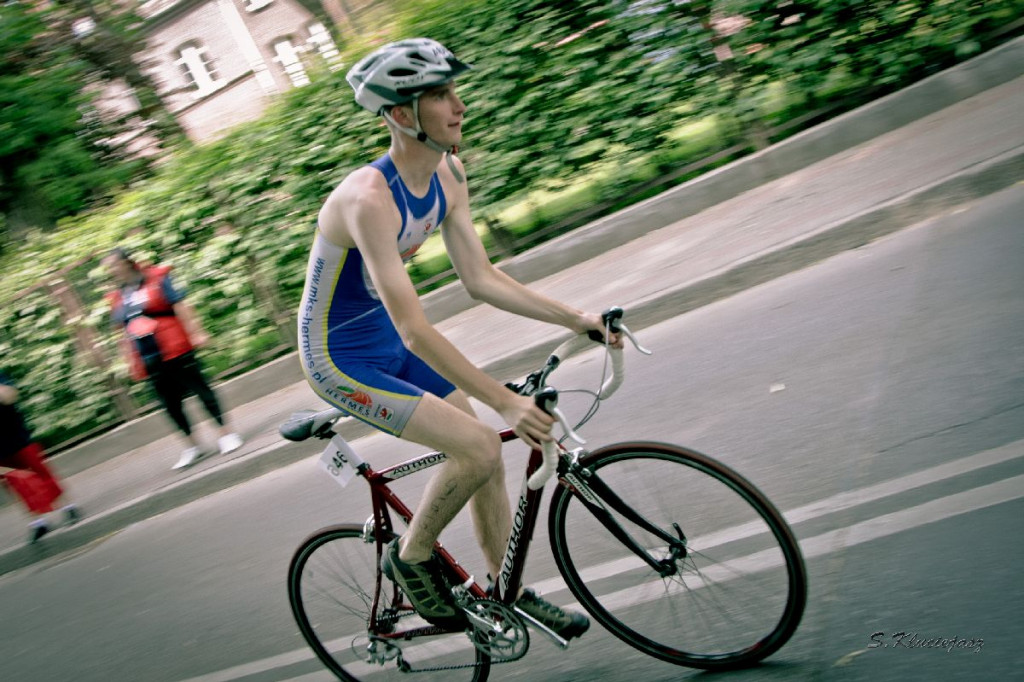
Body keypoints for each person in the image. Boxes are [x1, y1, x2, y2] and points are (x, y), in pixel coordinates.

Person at [297, 38, 621, 639]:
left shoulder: (448, 172)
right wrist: (504, 400)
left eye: (453, 91)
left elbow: (479, 277)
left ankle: (506, 591)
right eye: (439, 95)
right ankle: (413, 555)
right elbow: (415, 329)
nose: (458, 105)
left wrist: (577, 318)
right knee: (478, 443)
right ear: (400, 115)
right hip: (338, 357)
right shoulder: (368, 200)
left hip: (388, 340)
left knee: (484, 455)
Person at [103, 248, 243, 470]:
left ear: (127, 263)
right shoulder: (119, 296)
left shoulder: (156, 278)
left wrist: (196, 332)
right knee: (170, 404)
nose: (111, 271)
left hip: (175, 346)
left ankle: (225, 434)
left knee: (201, 390)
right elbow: (121, 330)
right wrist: (129, 360)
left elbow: (180, 305)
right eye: (109, 268)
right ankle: (192, 446)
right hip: (149, 356)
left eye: (114, 265)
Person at [0, 369, 81, 544]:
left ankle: (69, 507)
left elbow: (10, 396)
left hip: (18, 438)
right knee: (14, 485)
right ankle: (38, 522)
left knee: (42, 473)